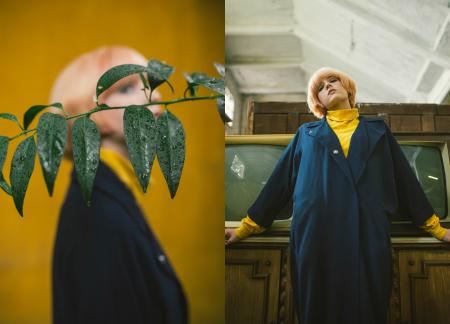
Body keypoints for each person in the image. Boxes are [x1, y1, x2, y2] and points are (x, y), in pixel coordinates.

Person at [225, 67, 450, 324]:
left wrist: (438, 229)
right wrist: (244, 229)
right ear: (317, 102)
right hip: (315, 236)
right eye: (320, 87)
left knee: (368, 308)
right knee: (316, 309)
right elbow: (277, 186)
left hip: (368, 234)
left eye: (333, 80)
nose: (328, 86)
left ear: (348, 88)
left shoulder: (378, 131)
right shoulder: (306, 134)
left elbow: (405, 182)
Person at [50, 46, 187, 324]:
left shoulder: (112, 193)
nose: (155, 97)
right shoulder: (96, 212)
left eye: (149, 85)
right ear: (90, 112)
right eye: (126, 88)